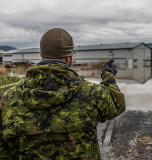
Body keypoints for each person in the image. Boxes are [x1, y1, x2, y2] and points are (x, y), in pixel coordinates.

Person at [0, 28, 125, 159]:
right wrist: (108, 76)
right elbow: (117, 105)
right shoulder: (93, 93)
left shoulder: (6, 100)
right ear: (68, 58)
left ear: (42, 55)